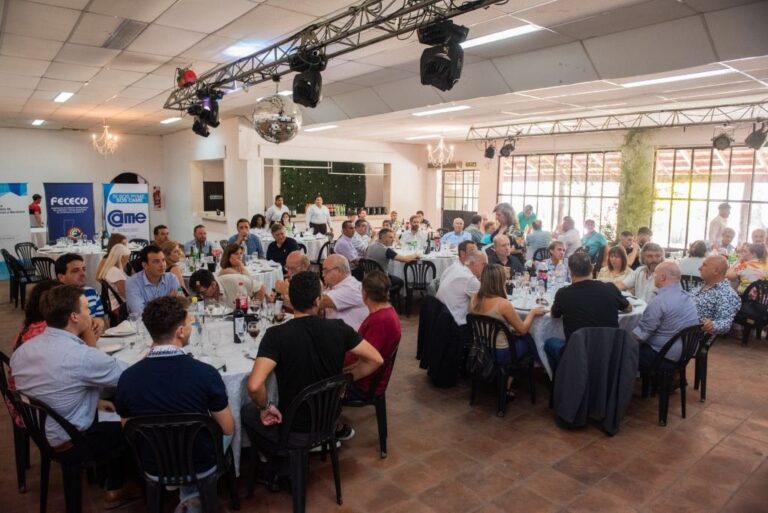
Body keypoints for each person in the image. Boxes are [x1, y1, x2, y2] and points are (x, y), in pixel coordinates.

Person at [242, 272, 383, 456]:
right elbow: (376, 359)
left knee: (247, 411)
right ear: (318, 301)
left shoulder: (275, 335)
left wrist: (266, 407)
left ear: (291, 300)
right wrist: (346, 379)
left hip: (292, 430)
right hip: (330, 422)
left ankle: (272, 458)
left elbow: (254, 386)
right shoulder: (339, 328)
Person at [115, 296, 234, 513]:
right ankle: (194, 497)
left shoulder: (127, 378)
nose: (191, 326)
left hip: (154, 464)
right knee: (225, 428)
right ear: (180, 331)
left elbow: (129, 430)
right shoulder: (205, 374)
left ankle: (188, 496)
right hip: (200, 464)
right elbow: (227, 428)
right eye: (190, 323)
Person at [11, 284, 128, 501]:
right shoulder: (80, 356)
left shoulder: (23, 350)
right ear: (74, 317)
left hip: (43, 432)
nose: (90, 314)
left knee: (109, 406)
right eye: (86, 309)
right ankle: (117, 485)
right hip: (72, 440)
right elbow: (130, 377)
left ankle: (104, 476)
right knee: (129, 419)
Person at [545, 252, 631, 370]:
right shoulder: (610, 288)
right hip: (609, 352)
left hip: (577, 353)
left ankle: (562, 378)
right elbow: (628, 308)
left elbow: (554, 315)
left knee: (549, 343)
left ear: (570, 271)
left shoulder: (563, 294)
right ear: (592, 268)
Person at [470, 264, 543, 395]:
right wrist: (532, 313)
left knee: (522, 337)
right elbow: (523, 329)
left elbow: (492, 321)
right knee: (529, 339)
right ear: (501, 281)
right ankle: (511, 382)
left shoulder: (475, 298)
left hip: (482, 347)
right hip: (500, 352)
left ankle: (509, 378)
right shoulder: (503, 304)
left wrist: (509, 329)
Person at [344, 270, 401, 401]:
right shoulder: (387, 311)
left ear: (365, 293)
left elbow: (367, 361)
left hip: (363, 385)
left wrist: (341, 377)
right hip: (368, 377)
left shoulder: (379, 321)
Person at [633, 262, 700, 373]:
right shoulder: (687, 297)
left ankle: (622, 383)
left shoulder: (659, 301)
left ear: (662, 277)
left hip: (664, 357)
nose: (654, 277)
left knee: (625, 351)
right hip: (685, 354)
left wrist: (623, 341)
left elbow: (641, 334)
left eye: (655, 275)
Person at [55, 253, 105, 339]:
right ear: (61, 277)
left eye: (84, 269)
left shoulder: (92, 292)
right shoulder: (56, 299)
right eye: (75, 271)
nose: (82, 273)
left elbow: (101, 319)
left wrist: (100, 322)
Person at [691, 255, 741, 336]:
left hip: (692, 336)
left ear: (716, 271)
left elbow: (725, 324)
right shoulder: (702, 285)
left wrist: (712, 325)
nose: (699, 268)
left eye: (704, 265)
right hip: (681, 326)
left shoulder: (727, 294)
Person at [436, 249, 487, 327]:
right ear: (472, 263)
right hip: (455, 324)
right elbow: (485, 302)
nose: (486, 268)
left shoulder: (456, 268)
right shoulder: (470, 279)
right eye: (484, 264)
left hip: (440, 317)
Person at [125, 245, 180, 315]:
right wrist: (167, 302)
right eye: (156, 262)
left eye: (163, 260)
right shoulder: (133, 283)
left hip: (169, 320)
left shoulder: (172, 278)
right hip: (142, 322)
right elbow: (140, 313)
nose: (162, 265)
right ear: (145, 265)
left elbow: (179, 307)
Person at [319, 255, 369, 331]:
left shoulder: (351, 288)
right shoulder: (333, 286)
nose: (323, 275)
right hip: (335, 333)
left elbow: (318, 302)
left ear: (338, 271)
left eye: (326, 271)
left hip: (352, 337)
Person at [189, 268, 264, 306]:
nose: (202, 296)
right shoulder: (201, 296)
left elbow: (260, 287)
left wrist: (254, 310)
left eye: (203, 292)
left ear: (213, 285)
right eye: (199, 293)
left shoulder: (234, 281)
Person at [96, 243, 131, 312]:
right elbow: (125, 294)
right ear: (121, 258)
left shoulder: (111, 269)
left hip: (119, 304)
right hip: (121, 307)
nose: (127, 262)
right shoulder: (115, 272)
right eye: (127, 259)